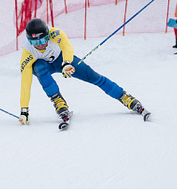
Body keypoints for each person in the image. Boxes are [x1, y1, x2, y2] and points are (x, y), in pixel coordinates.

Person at [18, 18, 150, 127]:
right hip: (47, 67)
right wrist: (24, 110)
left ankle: (124, 97)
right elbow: (25, 83)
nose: (40, 45)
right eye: (35, 42)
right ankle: (58, 101)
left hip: (63, 60)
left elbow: (67, 47)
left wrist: (66, 63)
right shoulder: (27, 52)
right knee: (38, 67)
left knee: (94, 77)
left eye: (42, 40)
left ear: (47, 35)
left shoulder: (55, 34)